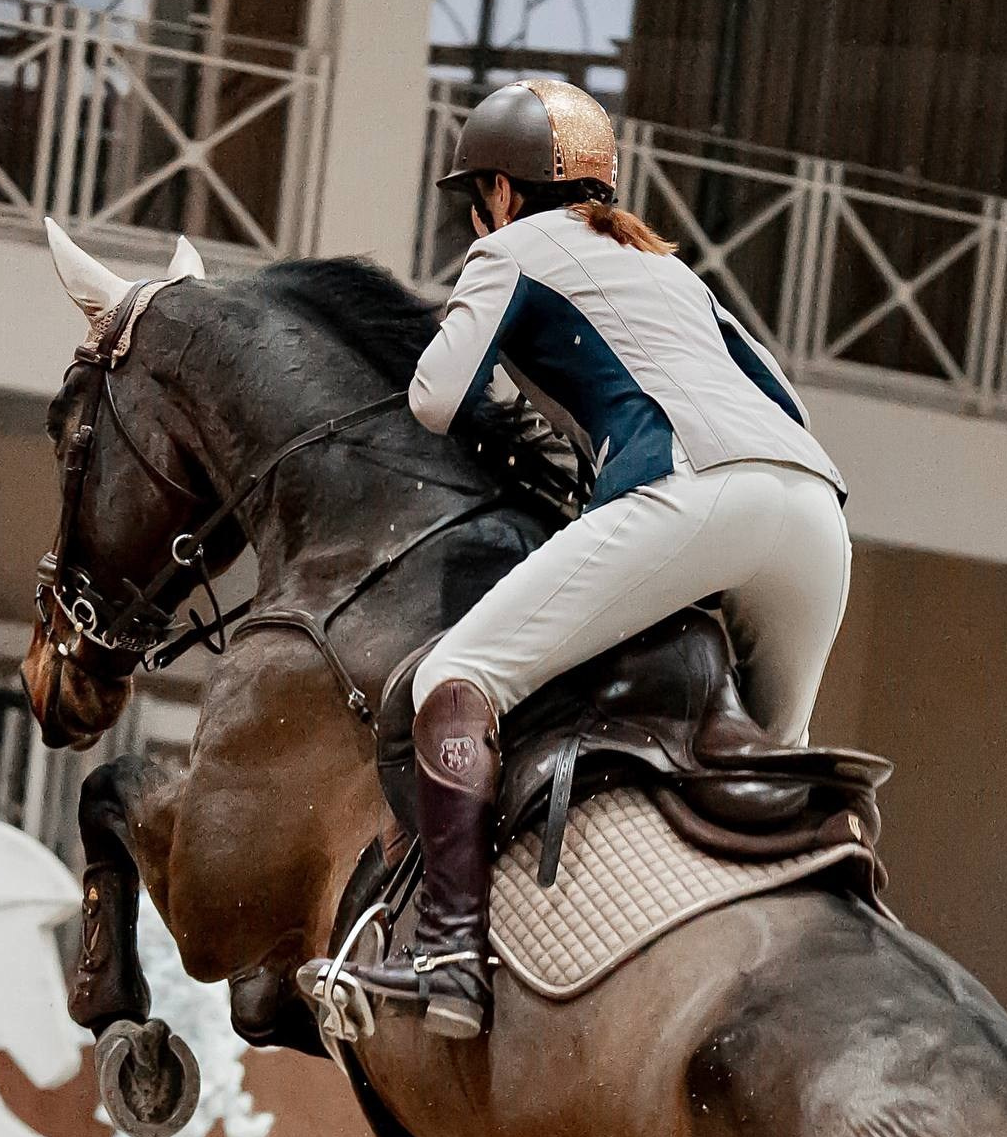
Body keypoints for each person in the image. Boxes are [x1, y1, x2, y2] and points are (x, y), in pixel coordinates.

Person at [345, 78, 853, 1041]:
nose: (475, 217)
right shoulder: (672, 272)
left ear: (497, 191)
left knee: (455, 678)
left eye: (475, 199)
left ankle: (450, 946)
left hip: (695, 493)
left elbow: (434, 399)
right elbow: (787, 404)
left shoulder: (510, 248)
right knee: (754, 771)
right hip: (816, 518)